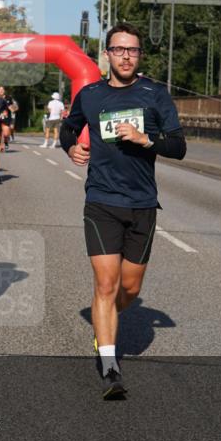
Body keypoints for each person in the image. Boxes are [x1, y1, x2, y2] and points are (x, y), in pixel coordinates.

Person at [60, 22, 186, 399]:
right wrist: (71, 147)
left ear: (139, 55)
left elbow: (178, 146)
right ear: (108, 54)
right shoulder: (91, 94)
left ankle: (109, 319)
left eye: (132, 50)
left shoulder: (154, 94)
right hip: (101, 201)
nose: (126, 56)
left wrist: (146, 139)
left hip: (143, 204)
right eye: (119, 49)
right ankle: (110, 364)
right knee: (105, 284)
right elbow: (69, 129)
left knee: (128, 289)